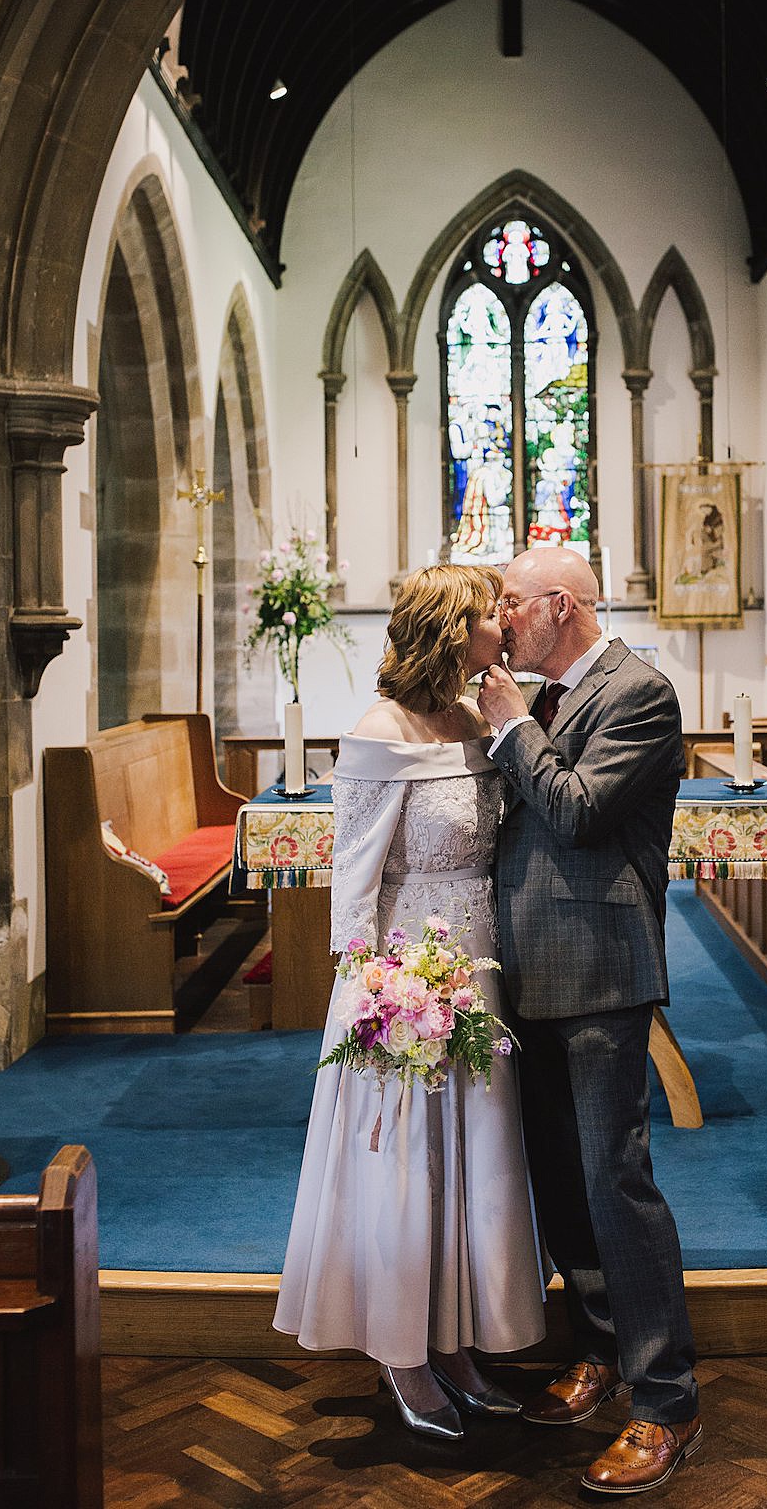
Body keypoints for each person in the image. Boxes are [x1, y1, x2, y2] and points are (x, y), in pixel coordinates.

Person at [273, 565, 545, 1440]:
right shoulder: (377, 732)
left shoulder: (474, 718)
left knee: (477, 1159)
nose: (502, 626)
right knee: (409, 1162)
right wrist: (372, 992)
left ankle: (459, 1340)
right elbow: (352, 878)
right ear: (447, 629)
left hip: (479, 963)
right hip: (407, 977)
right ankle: (401, 1354)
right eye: (485, 616)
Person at [477, 545, 701, 1497]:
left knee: (616, 1180)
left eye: (512, 606)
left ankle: (666, 1402)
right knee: (560, 1182)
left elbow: (574, 813)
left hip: (602, 969)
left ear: (558, 606)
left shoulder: (637, 693)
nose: (501, 622)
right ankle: (600, 1350)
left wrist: (511, 726)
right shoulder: (549, 695)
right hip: (526, 965)